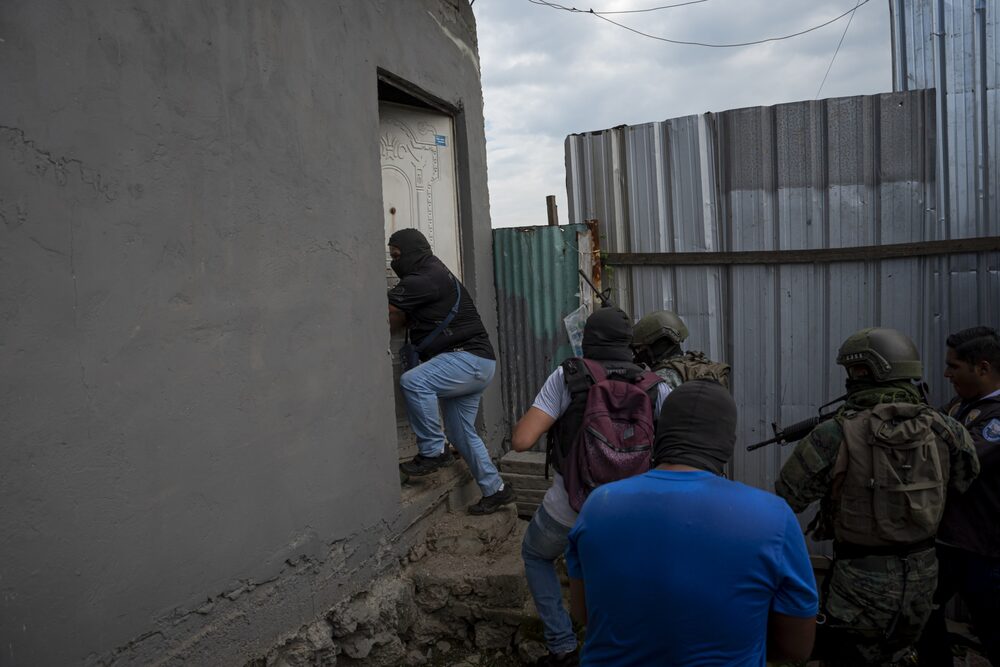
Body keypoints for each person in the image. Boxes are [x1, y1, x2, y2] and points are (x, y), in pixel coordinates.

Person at [565, 379, 818, 666]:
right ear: (727, 445)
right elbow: (795, 649)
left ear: (660, 433)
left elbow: (583, 613)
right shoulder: (774, 518)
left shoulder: (599, 504)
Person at [775, 327, 979, 666]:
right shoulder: (946, 428)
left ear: (863, 371)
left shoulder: (835, 433)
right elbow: (965, 479)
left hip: (859, 587)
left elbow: (785, 500)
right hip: (923, 581)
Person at [510, 306, 670, 667]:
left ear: (588, 339)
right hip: (636, 511)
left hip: (572, 504)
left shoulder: (568, 376)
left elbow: (521, 440)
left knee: (536, 555)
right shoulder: (656, 385)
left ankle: (563, 647)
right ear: (630, 344)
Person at [387, 228, 513, 515]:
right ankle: (497, 490)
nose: (394, 262)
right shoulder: (435, 273)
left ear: (411, 252)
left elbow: (381, 309)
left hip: (466, 360)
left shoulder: (425, 277)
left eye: (396, 256)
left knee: (414, 382)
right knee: (461, 433)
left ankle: (433, 451)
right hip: (477, 364)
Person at [918, 326, 1000, 666]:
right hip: (950, 542)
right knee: (923, 614)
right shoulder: (960, 404)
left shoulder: (995, 418)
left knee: (993, 628)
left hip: (985, 550)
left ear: (982, 368)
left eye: (954, 366)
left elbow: (954, 460)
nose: (947, 373)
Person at [631, 309, 730, 389]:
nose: (638, 354)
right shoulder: (695, 364)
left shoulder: (663, 379)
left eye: (641, 348)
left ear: (656, 345)